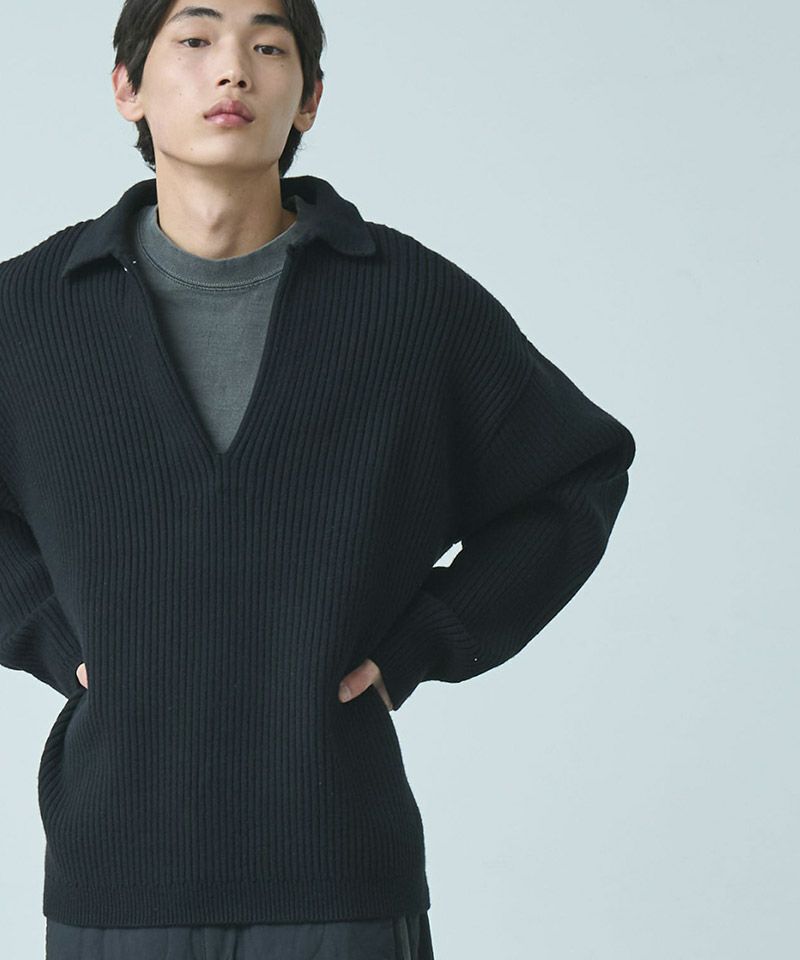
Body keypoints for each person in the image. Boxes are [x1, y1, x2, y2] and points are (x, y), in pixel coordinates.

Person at [0, 0, 636, 957]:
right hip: (116, 871)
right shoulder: (29, 312)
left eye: (269, 46)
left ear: (310, 99)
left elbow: (573, 476)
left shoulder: (410, 303)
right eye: (196, 40)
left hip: (339, 865)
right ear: (127, 86)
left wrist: (425, 640)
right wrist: (47, 629)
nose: (233, 70)